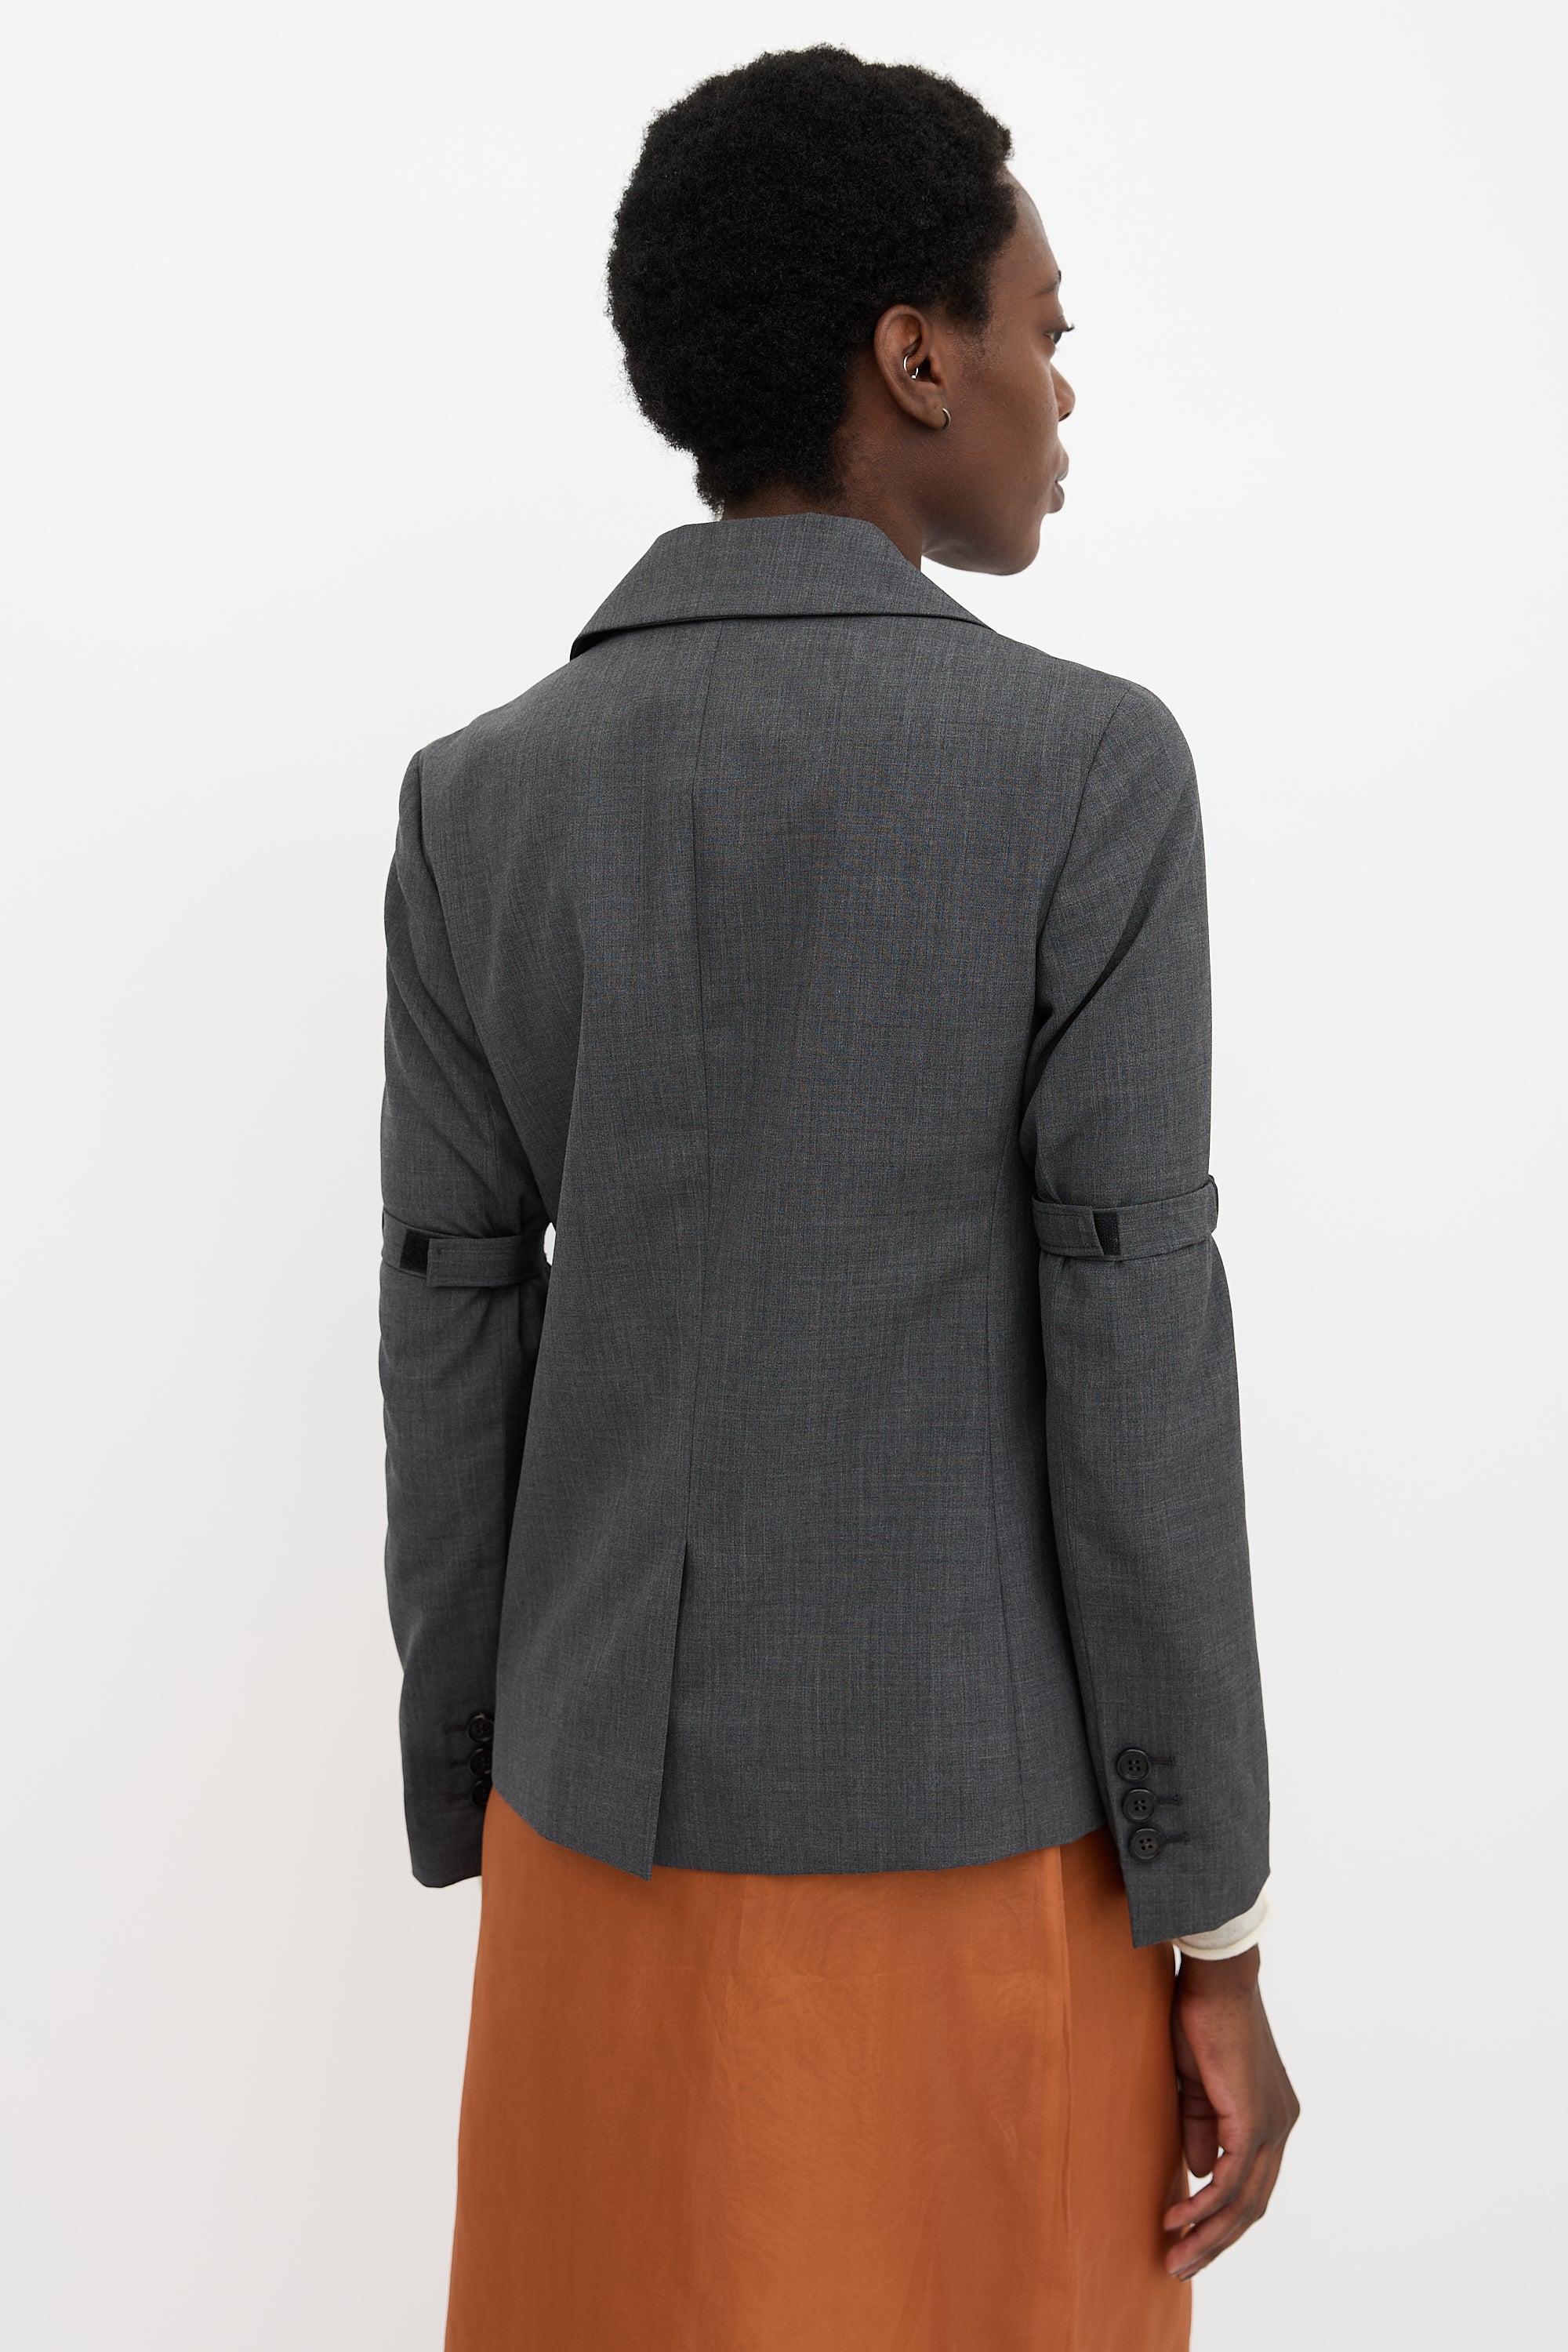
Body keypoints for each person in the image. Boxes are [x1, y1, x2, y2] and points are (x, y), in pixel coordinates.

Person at [379, 43, 1298, 2351]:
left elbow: (452, 1316)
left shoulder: (476, 803)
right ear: (916, 355)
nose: (1064, 392)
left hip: (597, 1838)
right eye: (1043, 328)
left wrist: (483, 1782)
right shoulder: (1087, 775)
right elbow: (1135, 1340)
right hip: (984, 1856)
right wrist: (1211, 1915)